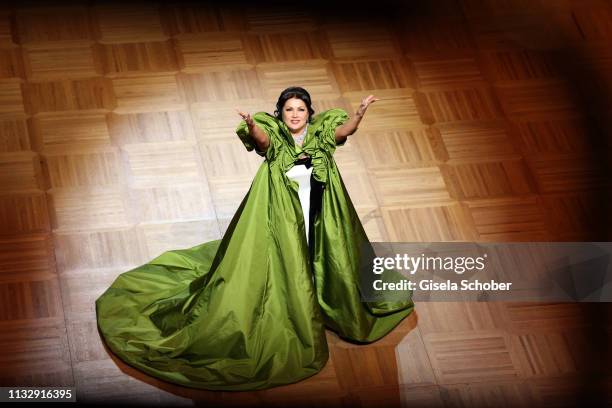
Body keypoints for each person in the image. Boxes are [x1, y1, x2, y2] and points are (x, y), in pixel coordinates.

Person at [95, 86, 414, 391]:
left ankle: (330, 298)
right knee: (284, 257)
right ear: (280, 113)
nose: (295, 114)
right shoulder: (273, 132)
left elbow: (343, 132)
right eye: (288, 109)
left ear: (309, 112)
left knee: (324, 251)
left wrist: (358, 113)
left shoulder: (319, 131)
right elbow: (262, 144)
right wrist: (250, 123)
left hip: (318, 207)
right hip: (280, 208)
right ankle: (295, 307)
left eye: (300, 109)